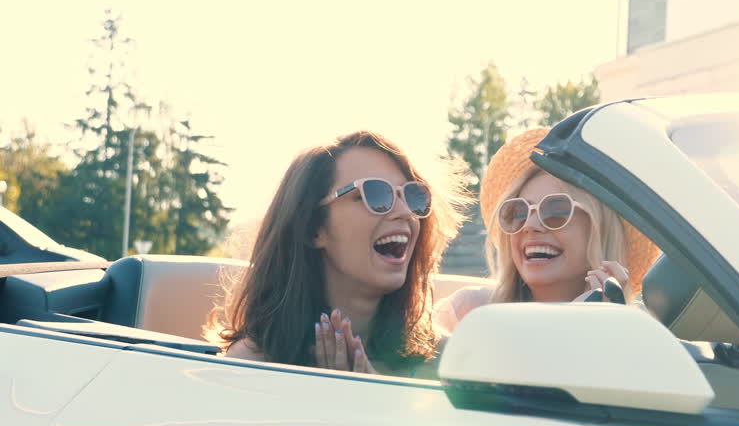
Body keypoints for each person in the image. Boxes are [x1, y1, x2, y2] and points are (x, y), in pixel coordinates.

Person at [211, 131, 465, 376]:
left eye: (412, 196)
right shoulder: (250, 366)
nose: (405, 212)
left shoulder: (450, 363)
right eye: (374, 194)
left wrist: (369, 394)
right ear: (313, 227)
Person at [434, 127, 659, 334]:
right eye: (518, 212)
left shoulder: (633, 334)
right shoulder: (469, 313)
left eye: (556, 210)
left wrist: (600, 331)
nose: (530, 225)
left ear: (600, 229)